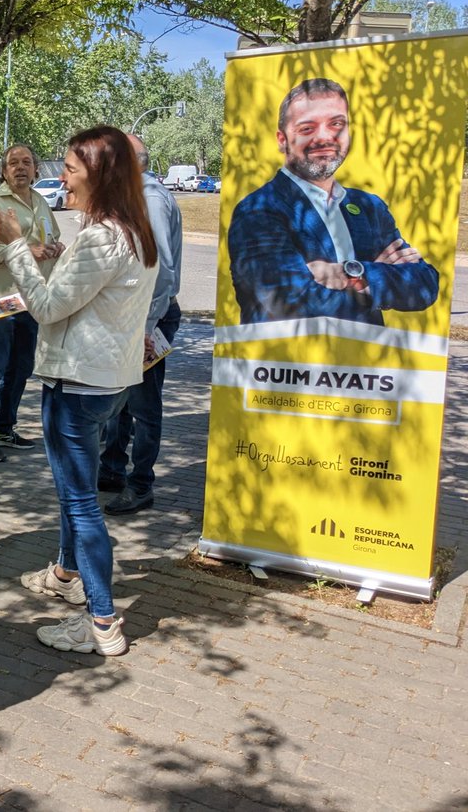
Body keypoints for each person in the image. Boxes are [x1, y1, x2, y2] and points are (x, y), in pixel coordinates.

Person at [0, 125, 157, 656]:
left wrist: (17, 247)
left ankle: (101, 622)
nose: (61, 176)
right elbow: (75, 294)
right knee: (73, 494)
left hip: (78, 385)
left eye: (71, 168)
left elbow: (47, 307)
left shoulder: (105, 236)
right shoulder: (130, 230)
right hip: (105, 381)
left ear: (100, 176)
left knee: (81, 504)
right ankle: (64, 574)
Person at [228, 78, 438, 326]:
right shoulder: (259, 210)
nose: (325, 138)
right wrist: (379, 281)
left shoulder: (369, 207)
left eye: (336, 124)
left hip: (366, 361)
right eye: (307, 129)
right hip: (287, 362)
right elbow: (291, 302)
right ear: (282, 139)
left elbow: (424, 285)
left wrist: (351, 271)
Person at [99, 134, 183, 515]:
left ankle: (141, 483)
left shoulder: (149, 199)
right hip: (133, 316)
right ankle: (112, 468)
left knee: (144, 404)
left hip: (148, 316)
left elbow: (161, 268)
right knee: (121, 400)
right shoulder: (134, 197)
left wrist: (146, 326)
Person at [0, 144, 64, 463]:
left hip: (30, 299)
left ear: (37, 169)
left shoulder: (40, 201)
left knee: (22, 367)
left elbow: (50, 237)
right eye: (14, 163)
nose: (21, 168)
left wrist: (54, 248)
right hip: (0, 300)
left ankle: (4, 428)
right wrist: (24, 250)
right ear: (4, 171)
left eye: (27, 162)